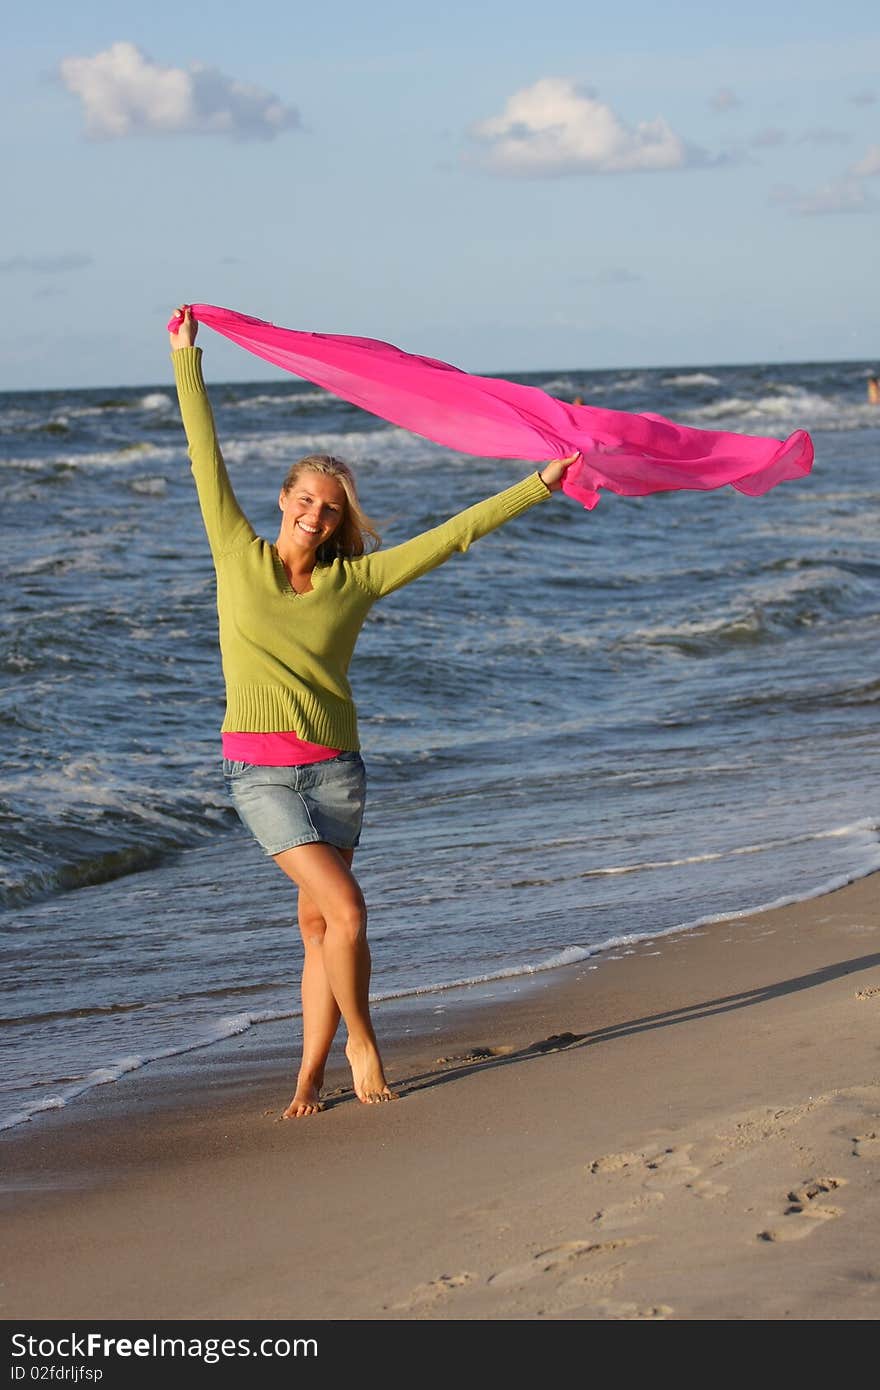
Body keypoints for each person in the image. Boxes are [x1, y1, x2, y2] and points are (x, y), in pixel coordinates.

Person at [168, 305, 576, 1118]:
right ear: (283, 500)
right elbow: (203, 455)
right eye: (306, 500)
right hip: (261, 776)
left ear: (338, 520)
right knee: (348, 911)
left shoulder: (356, 582)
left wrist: (539, 484)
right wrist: (188, 358)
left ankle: (308, 1075)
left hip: (337, 775)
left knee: (322, 930)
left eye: (330, 508)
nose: (315, 515)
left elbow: (453, 535)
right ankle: (363, 1038)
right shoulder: (234, 554)